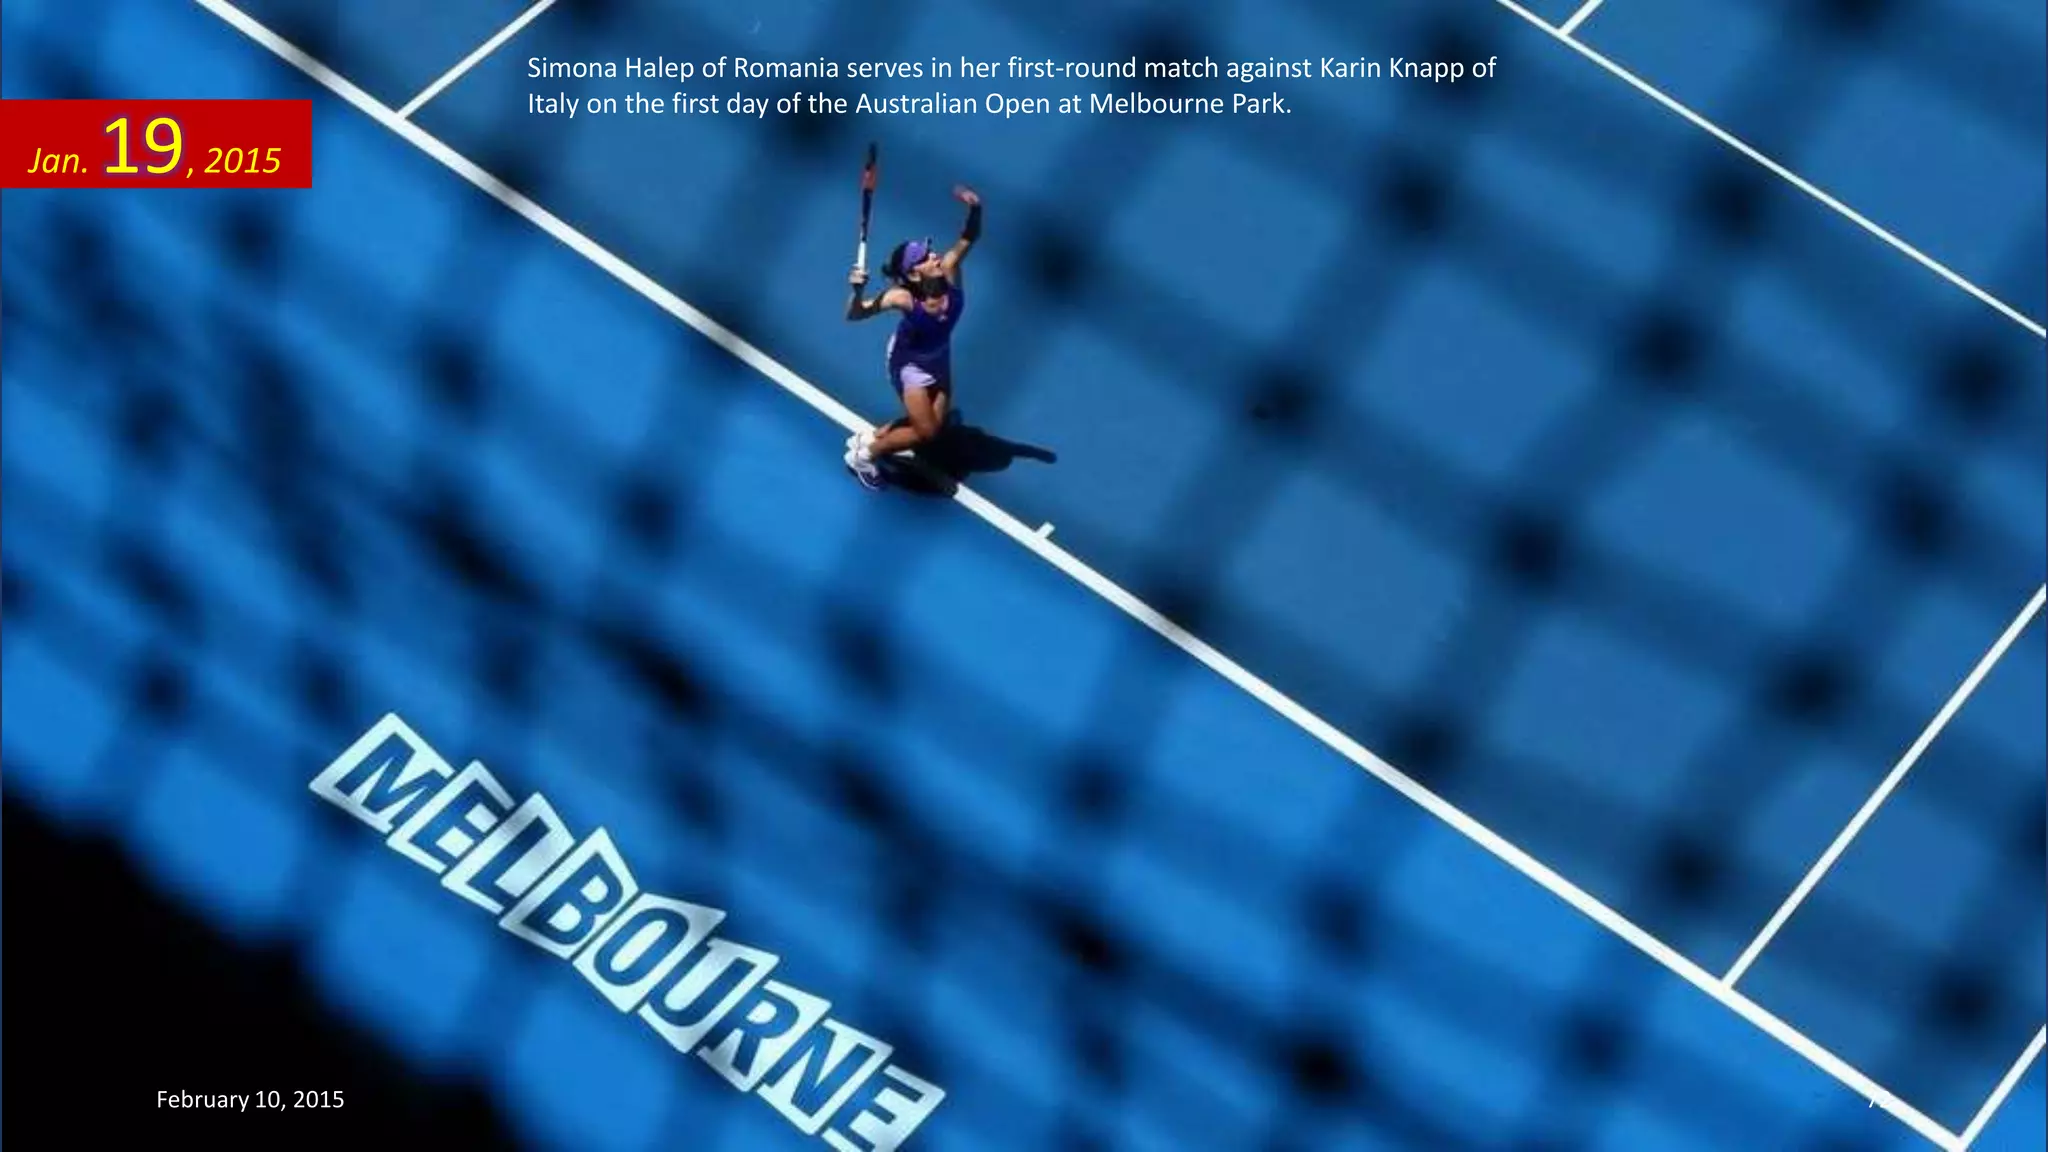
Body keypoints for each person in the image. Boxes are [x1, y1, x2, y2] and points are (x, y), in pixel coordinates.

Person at [842, 184, 981, 489]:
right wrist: (857, 291)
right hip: (910, 366)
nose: (935, 255)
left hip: (940, 356)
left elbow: (969, 237)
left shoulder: (950, 269)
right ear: (915, 275)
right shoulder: (903, 298)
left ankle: (873, 435)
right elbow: (855, 314)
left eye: (930, 251)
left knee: (937, 424)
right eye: (926, 257)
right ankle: (864, 456)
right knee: (926, 434)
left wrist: (975, 209)